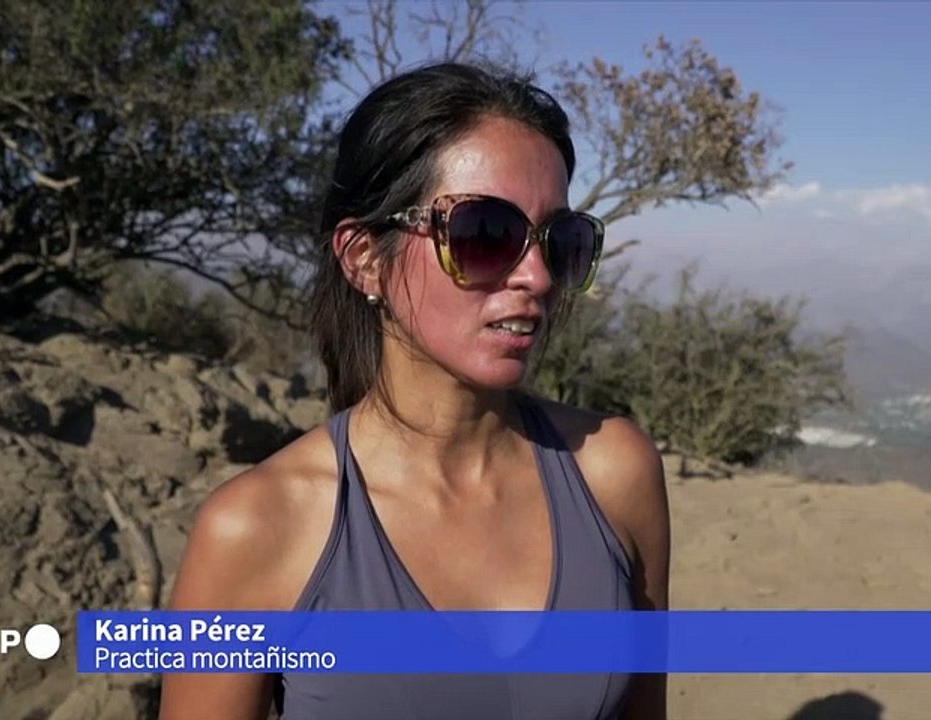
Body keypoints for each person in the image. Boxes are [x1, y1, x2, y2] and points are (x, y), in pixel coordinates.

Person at [158, 61, 671, 720]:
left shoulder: (614, 473)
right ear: (364, 258)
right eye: (486, 233)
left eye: (559, 241)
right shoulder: (256, 529)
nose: (538, 276)